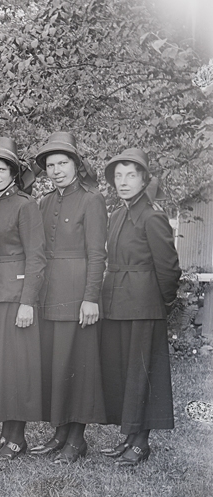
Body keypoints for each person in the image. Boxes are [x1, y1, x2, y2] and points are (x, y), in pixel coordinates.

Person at [28, 132, 107, 464]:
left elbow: (97, 255)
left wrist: (91, 298)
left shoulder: (91, 200)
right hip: (49, 296)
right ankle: (59, 434)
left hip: (77, 296)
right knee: (56, 366)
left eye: (63, 163)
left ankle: (76, 440)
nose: (57, 170)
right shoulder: (44, 202)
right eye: (51, 165)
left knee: (78, 366)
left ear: (76, 165)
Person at [99, 148, 181, 466]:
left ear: (144, 180)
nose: (123, 182)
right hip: (117, 304)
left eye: (130, 175)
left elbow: (169, 268)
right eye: (118, 176)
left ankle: (141, 443)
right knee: (125, 373)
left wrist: (165, 303)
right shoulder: (118, 215)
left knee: (142, 375)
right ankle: (130, 437)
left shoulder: (152, 216)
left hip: (144, 306)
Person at [0, 137, 46, 461]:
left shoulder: (25, 205)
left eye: (1, 170)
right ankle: (4, 433)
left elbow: (36, 258)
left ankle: (17, 438)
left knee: (16, 369)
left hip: (15, 297)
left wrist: (27, 302)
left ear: (13, 173)